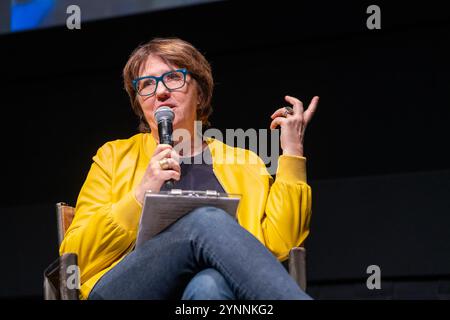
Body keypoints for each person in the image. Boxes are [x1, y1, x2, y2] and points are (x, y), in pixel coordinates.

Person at [59, 37, 319, 300]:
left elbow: (282, 243)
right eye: (147, 84)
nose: (160, 92)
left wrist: (292, 151)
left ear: (201, 94)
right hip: (124, 290)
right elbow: (75, 258)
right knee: (204, 220)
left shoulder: (244, 162)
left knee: (209, 285)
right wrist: (140, 195)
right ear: (139, 103)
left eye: (173, 77)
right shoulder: (113, 156)